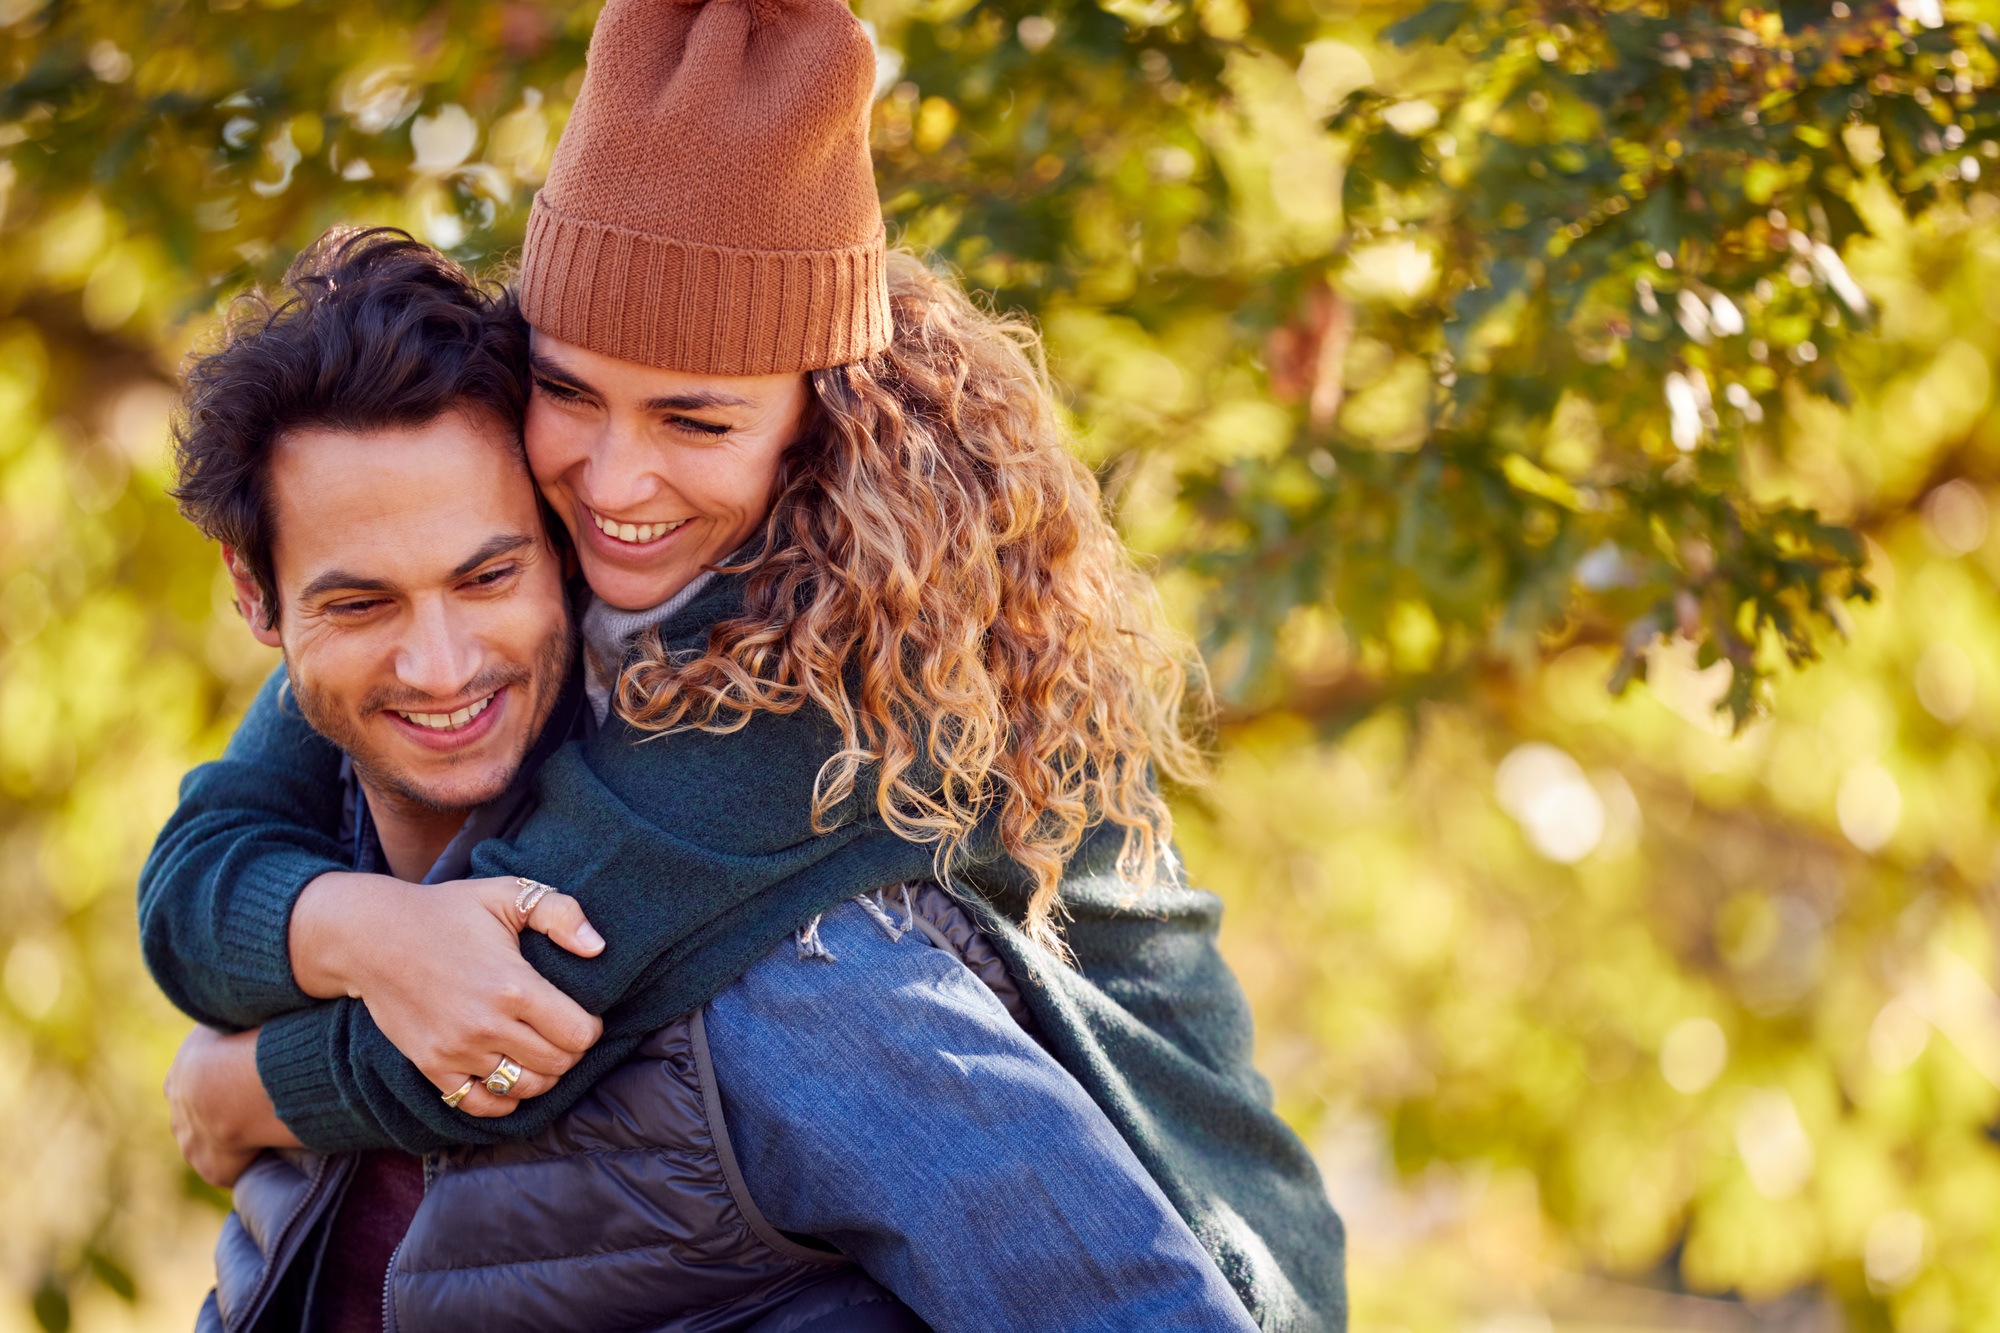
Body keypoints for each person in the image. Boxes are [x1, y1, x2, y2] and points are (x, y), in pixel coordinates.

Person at [142, 0, 1348, 1327]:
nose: (612, 477)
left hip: (1174, 1241)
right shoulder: (499, 562)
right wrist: (354, 925)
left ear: (820, 417)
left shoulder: (859, 696)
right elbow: (207, 864)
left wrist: (236, 1086)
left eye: (694, 419)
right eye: (571, 391)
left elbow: (501, 1022)